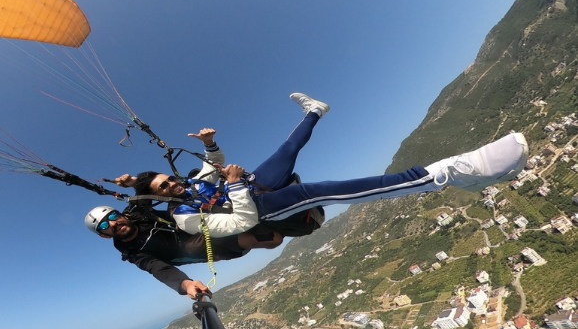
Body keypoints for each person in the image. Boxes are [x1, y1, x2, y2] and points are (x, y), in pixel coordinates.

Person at [116, 93, 530, 237]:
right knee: (323, 189)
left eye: (169, 180)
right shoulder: (187, 217)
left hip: (251, 187)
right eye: (164, 189)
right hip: (259, 208)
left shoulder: (191, 184)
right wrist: (238, 186)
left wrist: (210, 145)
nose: (172, 186)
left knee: (285, 151)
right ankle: (445, 174)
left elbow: (213, 164)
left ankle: (315, 111)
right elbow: (238, 224)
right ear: (156, 198)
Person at [83, 205, 284, 298]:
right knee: (273, 238)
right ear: (104, 235)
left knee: (178, 205)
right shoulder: (134, 252)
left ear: (121, 214)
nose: (113, 223)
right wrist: (186, 284)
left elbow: (149, 190)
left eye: (113, 215)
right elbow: (159, 269)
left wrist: (133, 182)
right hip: (215, 244)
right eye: (104, 226)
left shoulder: (140, 214)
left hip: (209, 221)